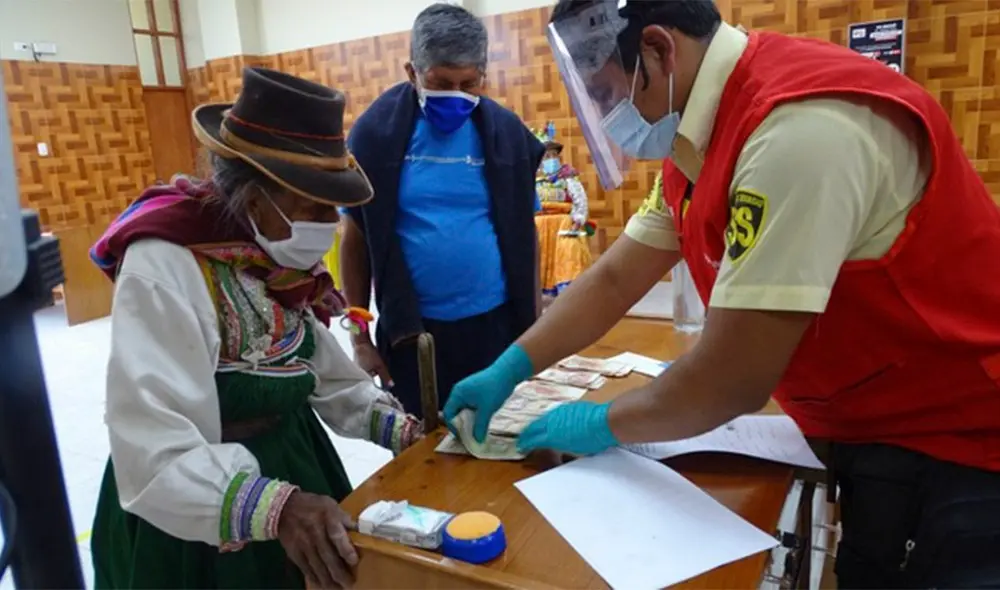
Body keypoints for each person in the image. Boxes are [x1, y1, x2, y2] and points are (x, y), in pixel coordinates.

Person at [444, 1, 1000, 587]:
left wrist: (601, 421)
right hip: (873, 425)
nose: (610, 116)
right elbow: (614, 278)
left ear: (657, 51)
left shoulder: (797, 130)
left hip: (965, 441)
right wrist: (513, 365)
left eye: (608, 95)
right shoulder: (698, 134)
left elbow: (731, 379)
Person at [87, 67, 422, 589]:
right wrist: (278, 510)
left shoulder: (280, 262)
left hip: (294, 461)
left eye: (331, 205)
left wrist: (407, 430)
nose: (328, 223)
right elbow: (151, 442)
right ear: (253, 196)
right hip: (198, 509)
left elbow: (327, 375)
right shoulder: (165, 265)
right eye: (309, 202)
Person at [341, 3, 545, 418]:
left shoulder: (505, 135)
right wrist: (361, 339)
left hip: (494, 326)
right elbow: (357, 238)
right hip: (413, 333)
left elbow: (526, 234)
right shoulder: (375, 137)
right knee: (421, 450)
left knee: (496, 442)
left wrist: (535, 327)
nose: (456, 94)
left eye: (469, 83)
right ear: (411, 72)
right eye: (440, 82)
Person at [533, 122, 594, 302]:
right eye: (546, 156)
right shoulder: (533, 180)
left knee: (568, 256)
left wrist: (578, 218)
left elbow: (580, 200)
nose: (550, 159)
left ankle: (570, 295)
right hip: (540, 228)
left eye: (553, 155)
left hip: (564, 225)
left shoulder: (567, 179)